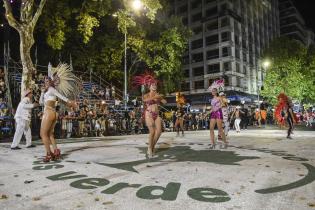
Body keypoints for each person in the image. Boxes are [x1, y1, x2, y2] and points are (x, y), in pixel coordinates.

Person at [39, 64, 80, 162]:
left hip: (49, 112)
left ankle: (49, 154)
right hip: (52, 112)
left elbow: (61, 96)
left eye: (48, 81)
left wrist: (70, 102)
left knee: (43, 134)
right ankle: (56, 150)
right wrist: (41, 93)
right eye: (45, 81)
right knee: (50, 134)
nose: (46, 82)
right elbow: (41, 102)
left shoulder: (52, 89)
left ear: (51, 82)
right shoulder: (47, 91)